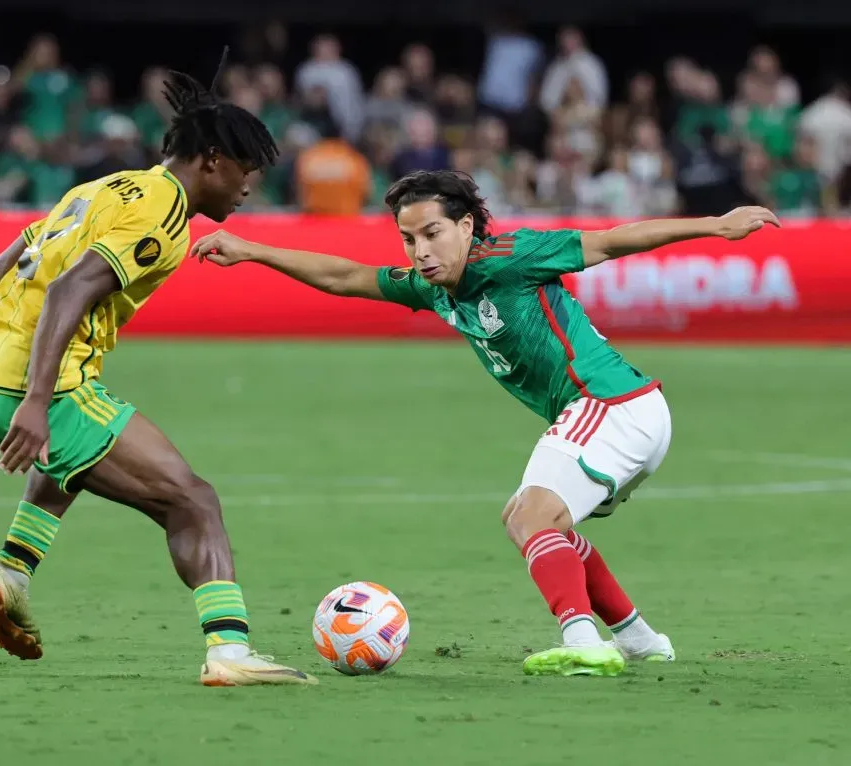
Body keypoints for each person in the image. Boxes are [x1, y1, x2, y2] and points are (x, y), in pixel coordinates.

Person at [191, 170, 780, 677]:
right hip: (621, 414)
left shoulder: (511, 258)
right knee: (533, 522)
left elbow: (612, 241)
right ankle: (639, 639)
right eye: (408, 238)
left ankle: (583, 643)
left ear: (468, 227)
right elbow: (346, 277)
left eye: (431, 233)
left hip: (612, 403)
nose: (419, 251)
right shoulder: (432, 287)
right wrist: (255, 251)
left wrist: (715, 225)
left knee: (531, 515)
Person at [0, 51, 316, 687]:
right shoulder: (164, 213)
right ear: (211, 159)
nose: (249, 184)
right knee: (193, 499)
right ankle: (230, 652)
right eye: (246, 168)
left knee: (82, 455)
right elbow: (71, 289)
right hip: (32, 387)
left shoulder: (102, 187)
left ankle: (11, 570)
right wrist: (38, 400)